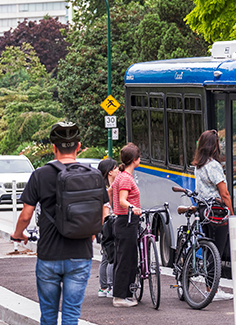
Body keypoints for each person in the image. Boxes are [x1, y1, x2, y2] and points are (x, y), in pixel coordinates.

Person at [11, 122, 108, 325]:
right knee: (71, 315)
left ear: (54, 148)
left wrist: (19, 234)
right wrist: (91, 232)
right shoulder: (93, 175)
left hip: (49, 255)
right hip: (80, 254)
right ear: (79, 147)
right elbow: (103, 210)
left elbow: (26, 215)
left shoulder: (40, 174)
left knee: (48, 316)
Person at [192, 130, 235, 301]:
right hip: (216, 212)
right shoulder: (214, 165)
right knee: (216, 249)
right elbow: (224, 194)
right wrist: (231, 212)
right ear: (214, 145)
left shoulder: (198, 164)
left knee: (208, 249)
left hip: (203, 210)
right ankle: (213, 290)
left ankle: (211, 287)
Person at [111, 143, 142, 308]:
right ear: (135, 160)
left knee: (126, 257)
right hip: (127, 220)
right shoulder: (125, 178)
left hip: (125, 220)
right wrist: (133, 207)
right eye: (139, 157)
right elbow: (123, 200)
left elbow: (112, 192)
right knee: (125, 259)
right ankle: (119, 297)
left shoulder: (122, 176)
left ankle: (125, 293)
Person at [97, 158, 118, 298]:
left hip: (103, 225)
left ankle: (103, 287)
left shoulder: (102, 187)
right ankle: (110, 287)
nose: (118, 170)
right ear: (110, 172)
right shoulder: (107, 190)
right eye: (116, 168)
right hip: (108, 224)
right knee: (112, 255)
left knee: (106, 255)